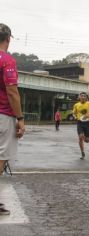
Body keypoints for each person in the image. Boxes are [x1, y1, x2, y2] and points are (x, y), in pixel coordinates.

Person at [0, 23, 25, 215]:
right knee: (1, 158)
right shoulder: (7, 60)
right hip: (3, 114)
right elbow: (12, 91)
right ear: (8, 38)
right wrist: (20, 118)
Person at [73, 92, 89, 159]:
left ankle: (85, 138)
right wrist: (75, 116)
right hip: (79, 122)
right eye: (81, 96)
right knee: (80, 137)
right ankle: (82, 152)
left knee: (87, 140)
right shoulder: (76, 105)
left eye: (84, 96)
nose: (83, 97)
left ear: (86, 97)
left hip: (87, 123)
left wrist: (87, 116)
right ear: (79, 97)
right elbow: (74, 113)